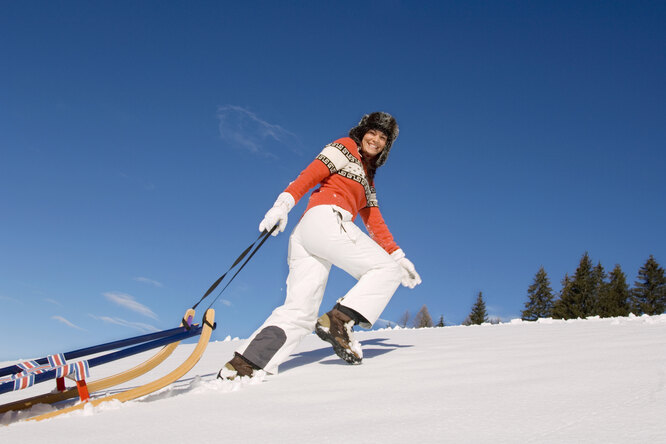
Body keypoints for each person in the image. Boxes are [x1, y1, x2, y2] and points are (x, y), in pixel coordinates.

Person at [218, 111, 421, 379]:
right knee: (385, 271)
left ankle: (244, 365)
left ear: (386, 146)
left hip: (309, 236)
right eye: (372, 132)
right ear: (362, 132)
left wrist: (399, 256)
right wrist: (283, 204)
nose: (376, 139)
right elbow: (311, 174)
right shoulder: (345, 147)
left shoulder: (367, 180)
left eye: (383, 137)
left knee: (300, 311)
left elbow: (375, 220)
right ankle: (339, 321)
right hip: (326, 219)